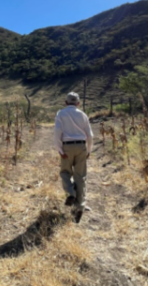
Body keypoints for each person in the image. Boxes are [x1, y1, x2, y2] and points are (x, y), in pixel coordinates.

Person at [53, 92, 94, 223]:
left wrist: (60, 149)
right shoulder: (83, 115)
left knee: (65, 173)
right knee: (80, 176)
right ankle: (80, 206)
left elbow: (57, 133)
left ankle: (71, 193)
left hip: (67, 147)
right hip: (81, 146)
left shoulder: (60, 113)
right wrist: (88, 150)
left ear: (65, 102)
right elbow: (90, 136)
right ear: (78, 103)